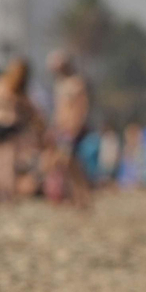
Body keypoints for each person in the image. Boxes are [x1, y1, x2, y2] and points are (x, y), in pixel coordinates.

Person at [0, 58, 41, 203]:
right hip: (7, 125)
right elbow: (30, 111)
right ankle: (2, 195)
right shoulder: (17, 90)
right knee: (4, 164)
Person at [46, 51, 93, 208]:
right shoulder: (60, 85)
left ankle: (81, 196)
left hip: (71, 129)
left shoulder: (76, 83)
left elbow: (81, 108)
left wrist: (76, 127)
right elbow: (59, 110)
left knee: (68, 163)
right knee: (70, 165)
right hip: (61, 129)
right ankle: (78, 197)